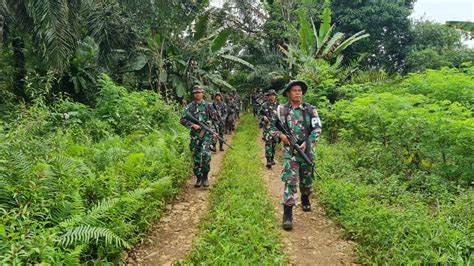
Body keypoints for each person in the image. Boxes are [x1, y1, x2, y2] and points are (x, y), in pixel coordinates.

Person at [270, 80, 322, 230]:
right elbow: (271, 127)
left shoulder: (310, 109)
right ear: (288, 93)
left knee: (306, 181)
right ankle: (287, 214)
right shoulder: (280, 110)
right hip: (290, 153)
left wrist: (308, 142)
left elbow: (317, 128)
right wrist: (282, 136)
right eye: (294, 90)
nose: (298, 93)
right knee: (290, 181)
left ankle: (305, 197)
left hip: (307, 152)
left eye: (300, 90)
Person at [180, 85, 218, 188]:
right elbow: (182, 120)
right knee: (196, 157)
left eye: (199, 92)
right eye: (195, 92)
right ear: (194, 94)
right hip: (195, 136)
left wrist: (214, 131)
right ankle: (198, 178)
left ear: (202, 93)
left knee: (206, 155)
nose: (197, 94)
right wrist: (193, 125)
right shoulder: (189, 107)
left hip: (206, 135)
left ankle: (205, 177)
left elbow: (215, 120)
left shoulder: (208, 106)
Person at [259, 90, 279, 169]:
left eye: (273, 95)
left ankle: (272, 157)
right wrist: (263, 118)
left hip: (276, 128)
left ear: (275, 96)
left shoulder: (279, 106)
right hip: (267, 127)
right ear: (268, 96)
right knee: (268, 143)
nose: (271, 97)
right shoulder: (264, 105)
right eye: (270, 95)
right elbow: (259, 114)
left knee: (274, 144)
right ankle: (268, 160)